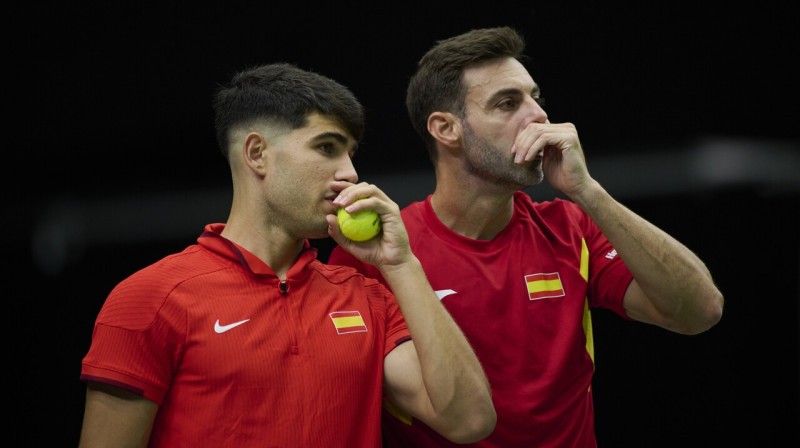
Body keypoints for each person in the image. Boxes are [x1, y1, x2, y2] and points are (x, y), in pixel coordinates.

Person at [328, 26, 725, 447]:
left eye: (536, 99)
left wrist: (587, 191)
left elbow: (700, 310)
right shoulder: (376, 254)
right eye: (507, 103)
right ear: (446, 129)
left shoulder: (571, 226)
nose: (538, 116)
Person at [78, 62, 496, 447]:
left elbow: (469, 421)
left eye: (350, 152)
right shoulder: (151, 298)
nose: (349, 173)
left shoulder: (367, 298)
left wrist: (401, 264)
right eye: (327, 147)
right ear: (257, 153)